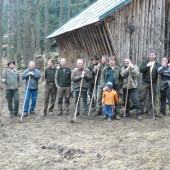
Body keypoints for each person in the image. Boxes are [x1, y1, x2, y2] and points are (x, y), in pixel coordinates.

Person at [139, 50, 161, 115]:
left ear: (155, 56)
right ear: (148, 56)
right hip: (145, 82)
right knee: (142, 95)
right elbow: (141, 70)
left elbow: (161, 70)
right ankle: (141, 109)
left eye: (152, 55)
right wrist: (147, 66)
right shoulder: (145, 62)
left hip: (154, 82)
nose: (151, 56)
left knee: (152, 96)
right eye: (150, 55)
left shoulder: (158, 63)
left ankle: (149, 110)